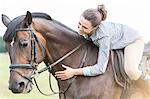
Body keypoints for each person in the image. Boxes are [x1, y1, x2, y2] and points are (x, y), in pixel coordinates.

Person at [55, 4, 149, 81]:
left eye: (84, 27)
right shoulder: (85, 28)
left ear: (95, 28)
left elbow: (100, 68)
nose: (80, 29)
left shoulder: (103, 37)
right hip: (119, 37)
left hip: (133, 40)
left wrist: (74, 72)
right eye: (79, 24)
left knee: (131, 70)